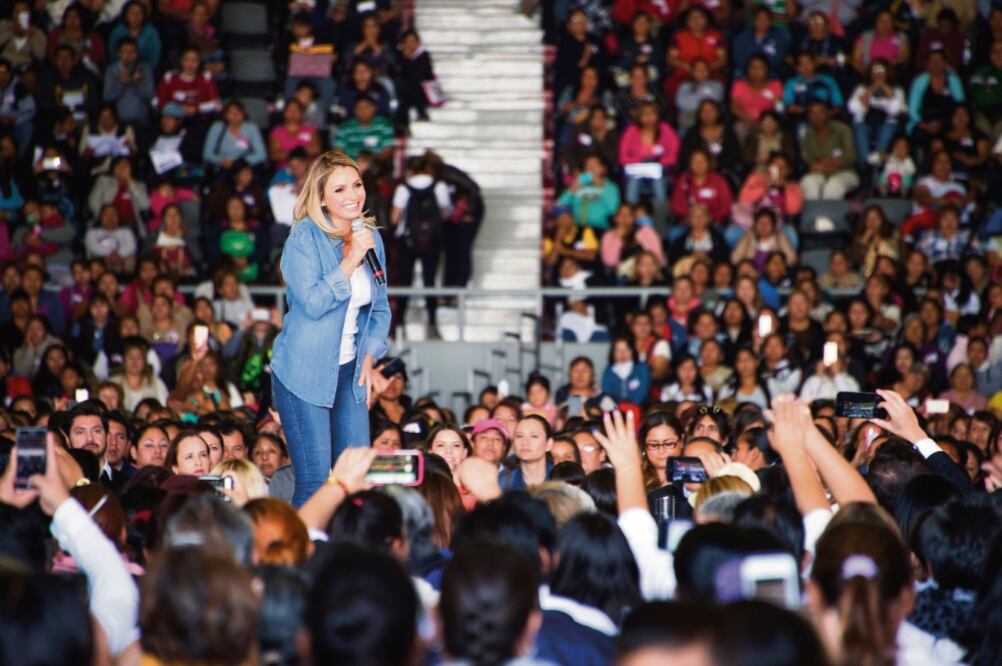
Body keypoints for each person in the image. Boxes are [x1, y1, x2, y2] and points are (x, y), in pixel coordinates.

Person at [271, 151, 391, 507]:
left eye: (356, 184)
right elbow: (311, 304)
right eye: (339, 189)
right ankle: (304, 559)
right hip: (303, 373)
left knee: (354, 479)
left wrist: (370, 356)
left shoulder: (370, 236)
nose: (353, 195)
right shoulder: (303, 239)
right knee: (316, 480)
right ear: (321, 197)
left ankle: (344, 559)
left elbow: (380, 308)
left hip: (351, 371)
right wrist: (351, 260)